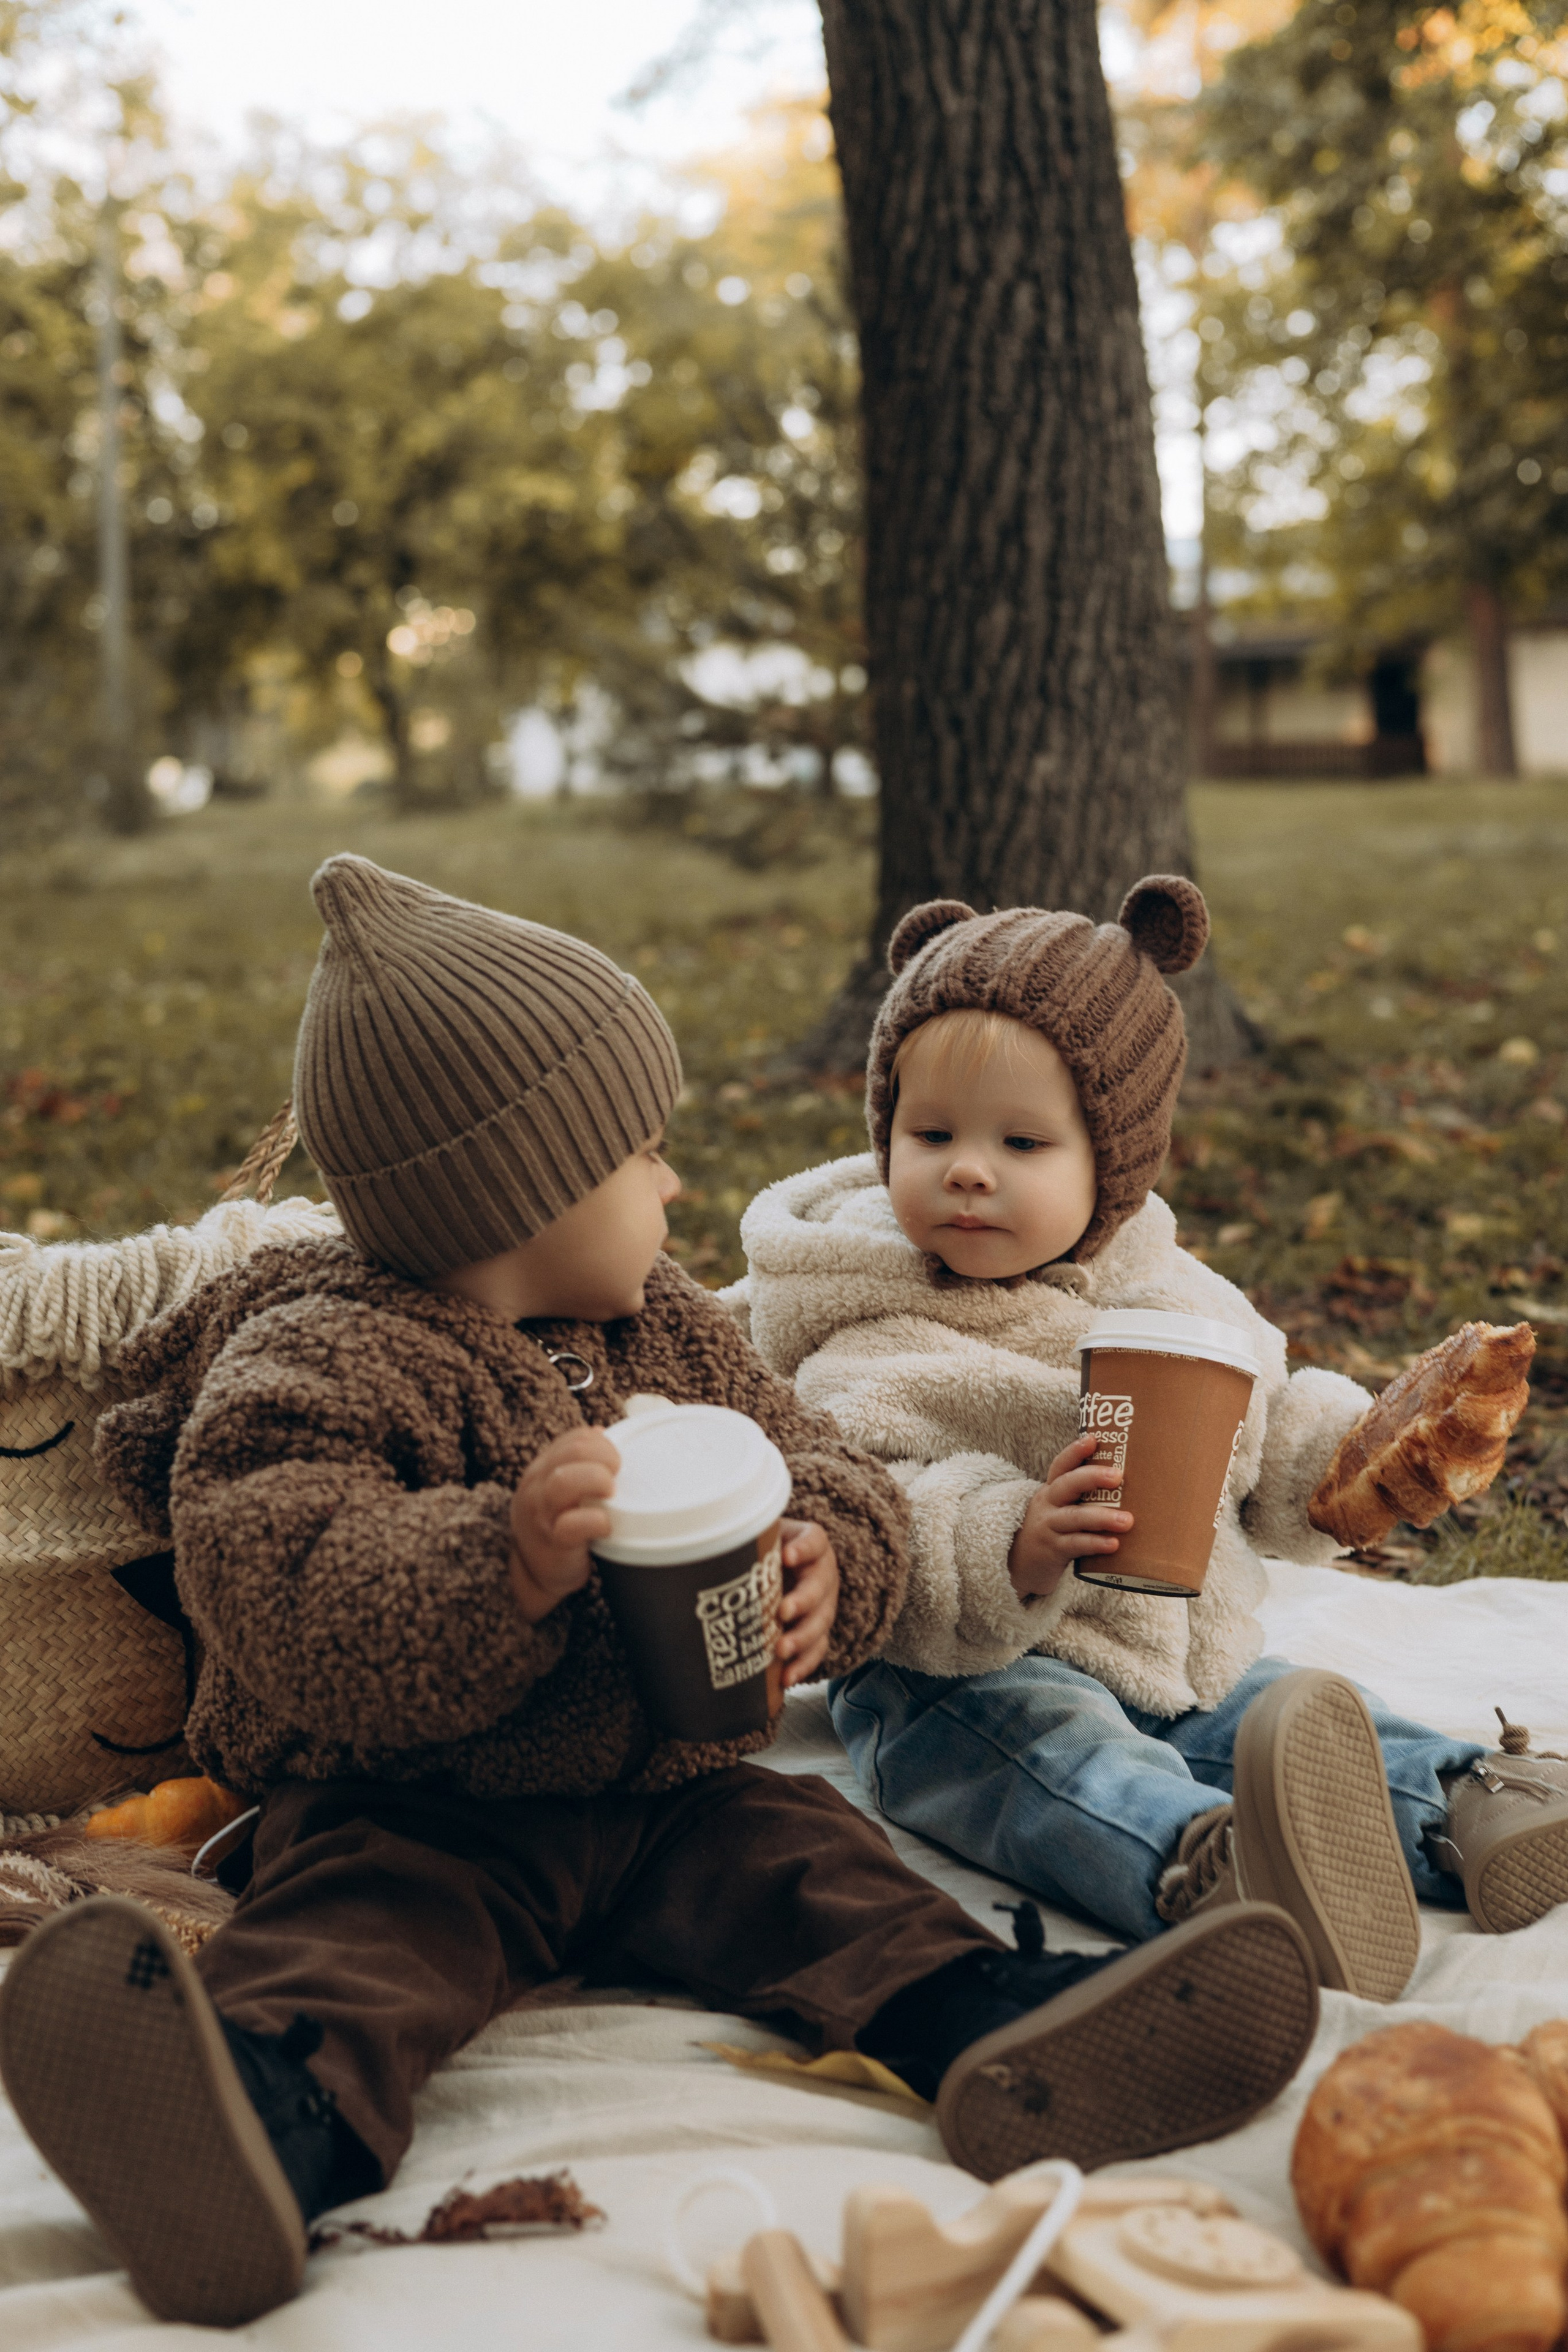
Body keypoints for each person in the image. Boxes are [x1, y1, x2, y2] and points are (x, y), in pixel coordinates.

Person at [0, 858, 1320, 2331]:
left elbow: (814, 1455)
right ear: (521, 1189)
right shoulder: (316, 1358)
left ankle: (1000, 2033)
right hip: (417, 1802)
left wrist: (834, 1559)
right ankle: (251, 2133)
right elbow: (278, 1578)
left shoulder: (667, 1325)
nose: (671, 1185)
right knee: (351, 1952)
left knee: (820, 1872)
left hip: (670, 1786)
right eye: (641, 1153)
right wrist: (500, 1559)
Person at [726, 878, 1568, 1999]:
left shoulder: (1168, 1289)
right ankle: (1209, 1870)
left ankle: (1471, 1805)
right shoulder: (863, 1322)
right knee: (1046, 1758)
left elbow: (1255, 1427)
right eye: (931, 1134)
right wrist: (1009, 1541)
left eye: (1022, 1141)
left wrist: (1354, 1462)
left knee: (1276, 1710)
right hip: (954, 1665)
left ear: (1113, 1162)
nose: (968, 1169)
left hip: (1162, 1636)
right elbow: (860, 1500)